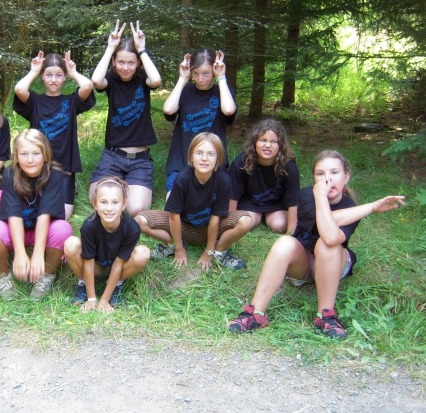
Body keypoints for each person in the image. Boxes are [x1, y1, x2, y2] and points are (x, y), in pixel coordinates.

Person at [227, 150, 405, 338]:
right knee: (284, 242)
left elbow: (330, 237)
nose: (327, 179)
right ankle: (255, 313)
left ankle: (326, 316)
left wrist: (356, 207)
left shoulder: (350, 207)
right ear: (314, 179)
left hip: (333, 264)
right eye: (320, 174)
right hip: (303, 263)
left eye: (334, 172)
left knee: (326, 245)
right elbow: (324, 220)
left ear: (346, 177)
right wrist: (368, 207)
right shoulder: (306, 195)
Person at [136, 133, 252, 270]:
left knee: (245, 220)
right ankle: (171, 244)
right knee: (140, 220)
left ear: (218, 158)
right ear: (191, 156)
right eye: (199, 153)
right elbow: (174, 216)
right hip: (182, 225)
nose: (204, 158)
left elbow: (215, 219)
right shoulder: (183, 178)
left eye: (210, 154)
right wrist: (179, 248)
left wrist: (209, 251)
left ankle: (218, 251)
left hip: (210, 227)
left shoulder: (223, 180)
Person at [0, 129, 72, 302]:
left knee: (63, 230)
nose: (30, 160)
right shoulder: (10, 173)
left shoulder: (54, 173)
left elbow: (45, 215)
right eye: (24, 154)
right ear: (16, 156)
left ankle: (46, 277)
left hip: (43, 230)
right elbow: (14, 215)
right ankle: (4, 278)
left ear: (45, 155)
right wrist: (20, 252)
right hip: (15, 229)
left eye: (36, 154)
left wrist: (38, 254)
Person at [89, 20, 162, 215]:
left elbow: (156, 80)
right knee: (96, 198)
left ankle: (128, 187)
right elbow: (96, 80)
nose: (125, 67)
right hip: (112, 156)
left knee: (134, 208)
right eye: (121, 62)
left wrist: (142, 49)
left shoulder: (143, 80)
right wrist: (110, 48)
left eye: (131, 62)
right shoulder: (111, 80)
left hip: (140, 160)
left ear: (138, 63)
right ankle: (119, 187)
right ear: (113, 62)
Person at [13, 51, 95, 219]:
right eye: (48, 74)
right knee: (35, 212)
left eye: (59, 75)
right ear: (42, 76)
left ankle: (70, 188)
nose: (53, 79)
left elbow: (87, 86)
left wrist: (73, 73)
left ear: (64, 77)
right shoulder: (35, 101)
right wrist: (33, 72)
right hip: (38, 168)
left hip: (65, 168)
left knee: (63, 216)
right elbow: (20, 89)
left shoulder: (71, 101)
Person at [64, 177, 150, 312]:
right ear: (95, 204)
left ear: (124, 205)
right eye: (103, 202)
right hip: (96, 268)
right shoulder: (89, 226)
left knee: (143, 253)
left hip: (121, 267)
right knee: (71, 244)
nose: (109, 208)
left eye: (115, 202)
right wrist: (92, 299)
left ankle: (116, 285)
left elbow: (118, 263)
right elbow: (88, 262)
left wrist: (104, 300)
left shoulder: (132, 228)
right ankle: (83, 285)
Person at [163, 49, 237, 198]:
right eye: (195, 73)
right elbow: (169, 110)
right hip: (182, 162)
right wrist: (183, 79)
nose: (200, 79)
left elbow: (229, 110)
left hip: (213, 164)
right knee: (173, 199)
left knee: (214, 202)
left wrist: (221, 77)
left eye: (206, 73)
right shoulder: (185, 91)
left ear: (214, 71)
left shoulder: (222, 92)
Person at [227, 119, 300, 249]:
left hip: (277, 204)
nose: (267, 145)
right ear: (254, 141)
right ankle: (257, 216)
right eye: (263, 140)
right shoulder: (241, 162)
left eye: (274, 141)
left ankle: (268, 217)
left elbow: (293, 202)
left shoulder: (289, 167)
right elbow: (232, 195)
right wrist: (229, 225)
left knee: (278, 225)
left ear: (281, 145)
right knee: (245, 222)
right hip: (249, 202)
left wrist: (291, 236)